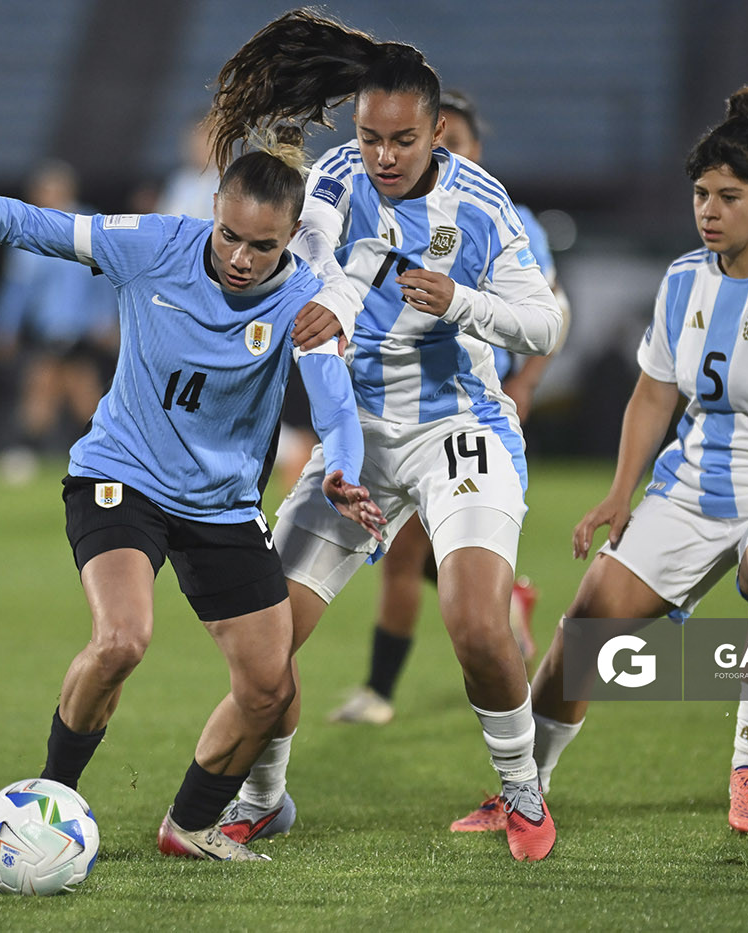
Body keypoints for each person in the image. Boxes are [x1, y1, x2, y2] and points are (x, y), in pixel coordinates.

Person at [0, 127, 384, 863]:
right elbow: (38, 226)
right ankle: (49, 802)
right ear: (212, 209)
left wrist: (341, 464)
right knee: (121, 640)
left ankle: (190, 823)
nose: (242, 258)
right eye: (230, 235)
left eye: (263, 246)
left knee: (271, 688)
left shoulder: (306, 300)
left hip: (221, 504)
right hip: (124, 476)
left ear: (289, 239)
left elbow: (336, 402)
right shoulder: (154, 243)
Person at [451, 68, 748, 841]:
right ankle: (527, 791)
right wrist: (623, 493)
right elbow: (654, 394)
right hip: (692, 487)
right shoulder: (683, 279)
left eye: (728, 197)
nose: (709, 213)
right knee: (587, 622)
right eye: (701, 196)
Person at [200, 9, 565, 861]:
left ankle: (523, 796)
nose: (383, 155)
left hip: (457, 426)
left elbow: (544, 325)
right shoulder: (333, 177)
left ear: (438, 130)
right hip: (354, 433)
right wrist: (337, 293)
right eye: (369, 136)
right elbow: (330, 254)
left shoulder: (480, 203)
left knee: (477, 624)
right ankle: (265, 799)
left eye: (402, 139)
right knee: (270, 642)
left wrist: (463, 302)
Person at [327, 88, 573, 726]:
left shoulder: (502, 217)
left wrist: (524, 387)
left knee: (435, 571)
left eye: (452, 144)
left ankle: (500, 748)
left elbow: (551, 313)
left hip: (468, 409)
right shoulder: (364, 200)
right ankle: (383, 688)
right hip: (390, 408)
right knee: (409, 557)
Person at [0, 160, 119, 484]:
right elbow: (17, 287)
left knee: (67, 394)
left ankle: (27, 455)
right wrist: (5, 325)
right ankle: (100, 457)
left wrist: (107, 318)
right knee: (52, 392)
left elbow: (104, 276)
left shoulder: (86, 224)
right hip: (50, 330)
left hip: (84, 329)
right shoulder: (29, 230)